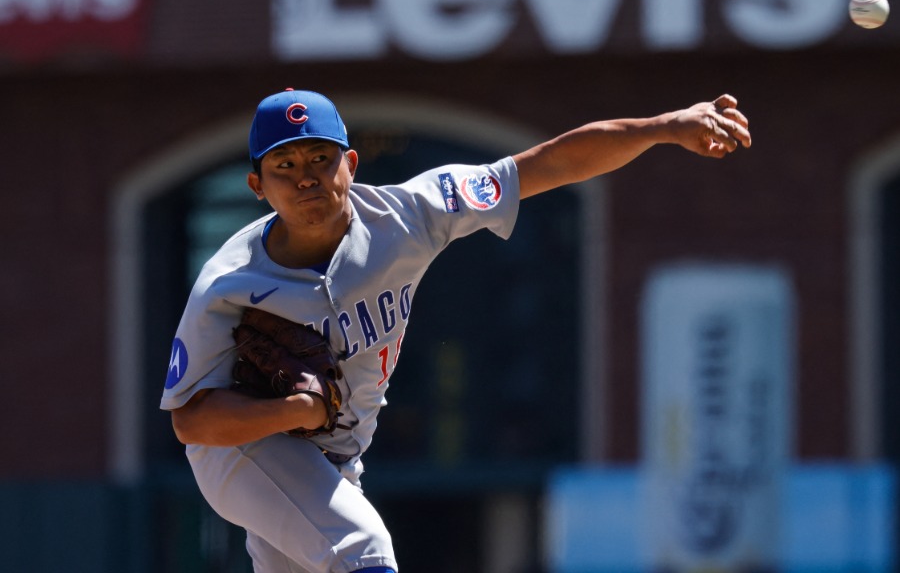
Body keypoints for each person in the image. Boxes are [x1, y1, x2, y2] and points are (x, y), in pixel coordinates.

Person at [160, 88, 751, 572]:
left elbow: (547, 163)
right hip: (244, 452)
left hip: (333, 460)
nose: (307, 177)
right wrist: (295, 411)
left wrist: (662, 127)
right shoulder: (227, 282)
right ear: (258, 187)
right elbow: (192, 422)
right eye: (284, 166)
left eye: (320, 157)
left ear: (351, 163)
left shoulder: (410, 215)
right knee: (365, 551)